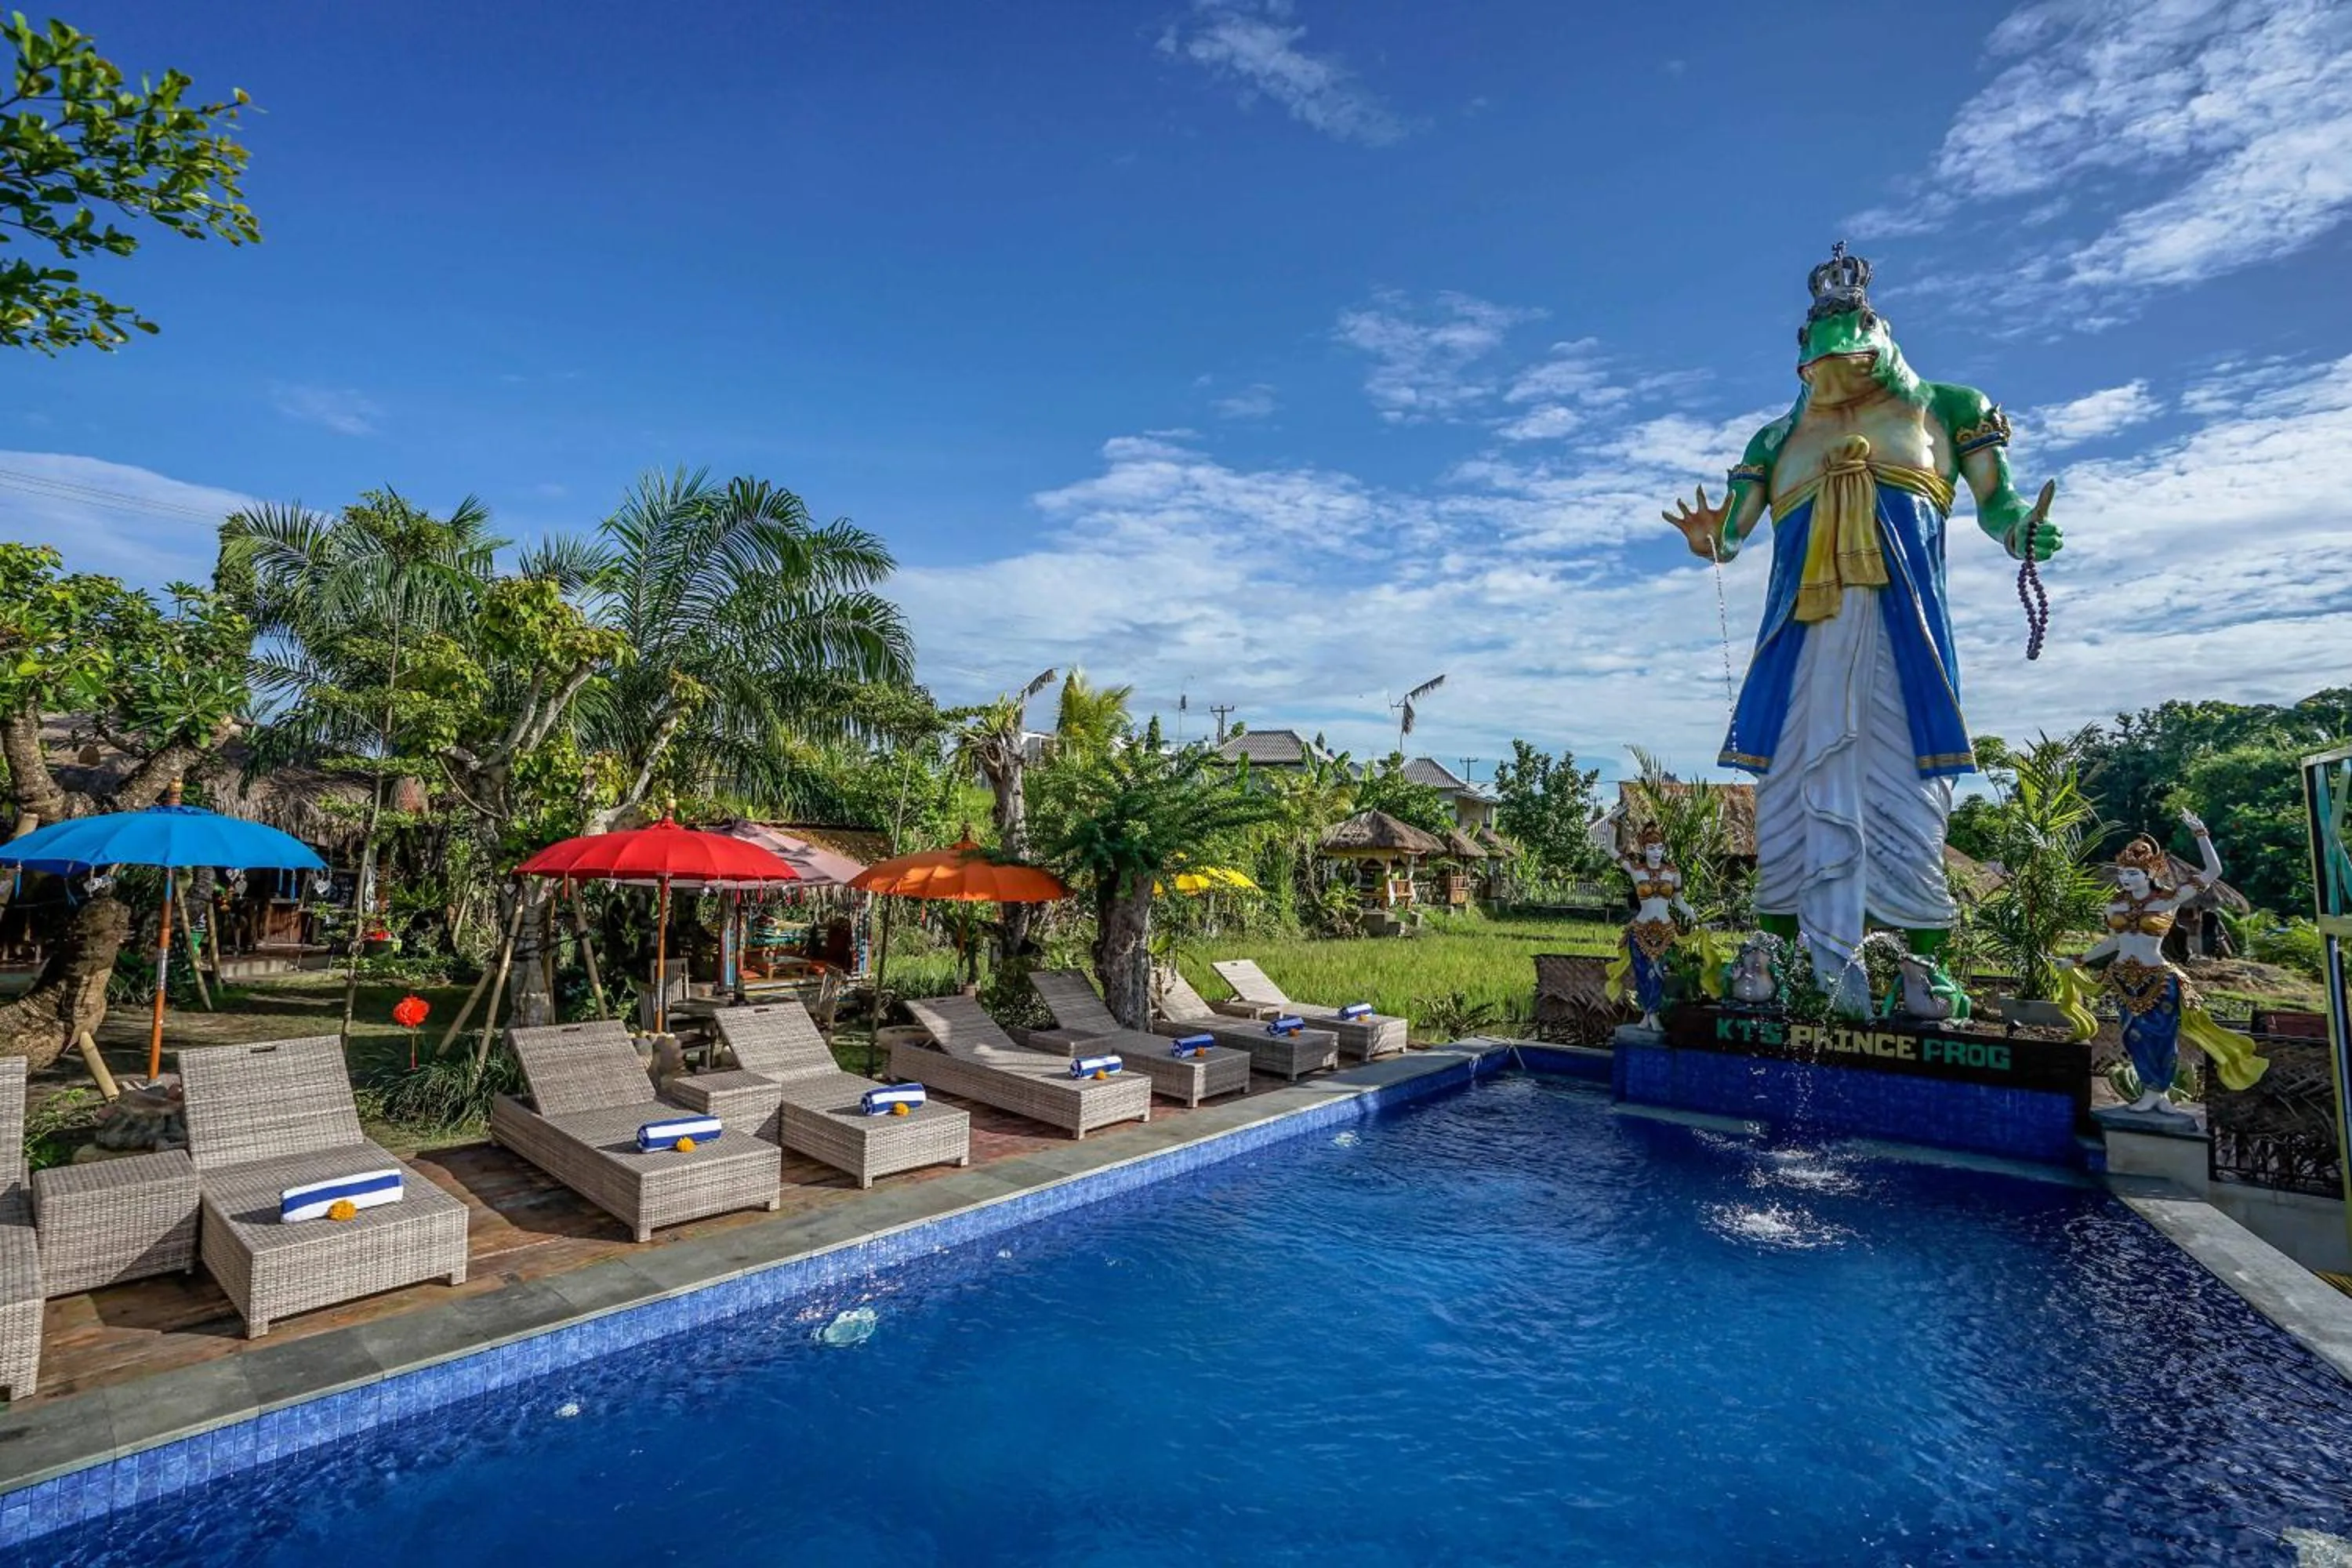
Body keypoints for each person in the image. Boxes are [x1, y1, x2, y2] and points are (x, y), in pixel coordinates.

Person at [1661, 244, 2060, 1009]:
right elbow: (1733, 538)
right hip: (1804, 641)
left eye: (1851, 352)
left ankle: (1924, 966)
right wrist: (1709, 535)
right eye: (1821, 362)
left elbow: (1998, 503)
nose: (1837, 375)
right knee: (1786, 789)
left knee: (1906, 793)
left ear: (1879, 337)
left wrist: (2022, 533)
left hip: (1897, 636)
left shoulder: (1949, 407)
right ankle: (1773, 958)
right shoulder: (1774, 441)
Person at [2063, 810, 2267, 1113]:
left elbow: (2213, 871)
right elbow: (2114, 942)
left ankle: (2160, 1092)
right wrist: (2077, 959)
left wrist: (2201, 833)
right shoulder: (2114, 906)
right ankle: (2149, 1089)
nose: (2126, 879)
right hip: (2122, 978)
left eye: (2133, 874)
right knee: (2133, 1038)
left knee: (2162, 1038)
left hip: (2159, 979)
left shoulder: (2168, 900)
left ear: (2149, 874)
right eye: (2123, 873)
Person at [1592, 807, 1695, 1030]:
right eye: (1651, 848)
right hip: (1640, 930)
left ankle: (1652, 1013)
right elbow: (1609, 849)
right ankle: (1649, 1013)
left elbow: (1679, 901)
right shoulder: (1636, 870)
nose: (1656, 852)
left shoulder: (1673, 871)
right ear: (1644, 848)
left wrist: (1694, 916)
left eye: (1660, 847)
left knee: (1658, 973)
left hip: (1666, 930)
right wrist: (1611, 822)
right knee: (1642, 974)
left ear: (1664, 848)